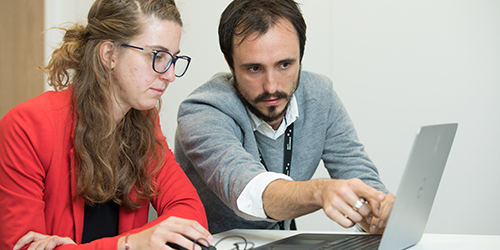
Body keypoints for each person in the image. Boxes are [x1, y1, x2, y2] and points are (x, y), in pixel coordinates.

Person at [0, 0, 213, 249]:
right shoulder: (27, 126)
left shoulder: (143, 121)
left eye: (173, 59)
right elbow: (21, 246)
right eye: (157, 56)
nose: (170, 75)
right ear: (109, 54)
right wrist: (131, 244)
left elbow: (190, 212)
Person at [174, 0, 395, 235]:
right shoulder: (201, 110)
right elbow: (246, 190)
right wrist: (320, 192)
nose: (271, 86)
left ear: (301, 57)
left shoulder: (320, 95)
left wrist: (378, 212)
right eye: (254, 69)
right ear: (230, 64)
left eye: (285, 65)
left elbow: (357, 171)